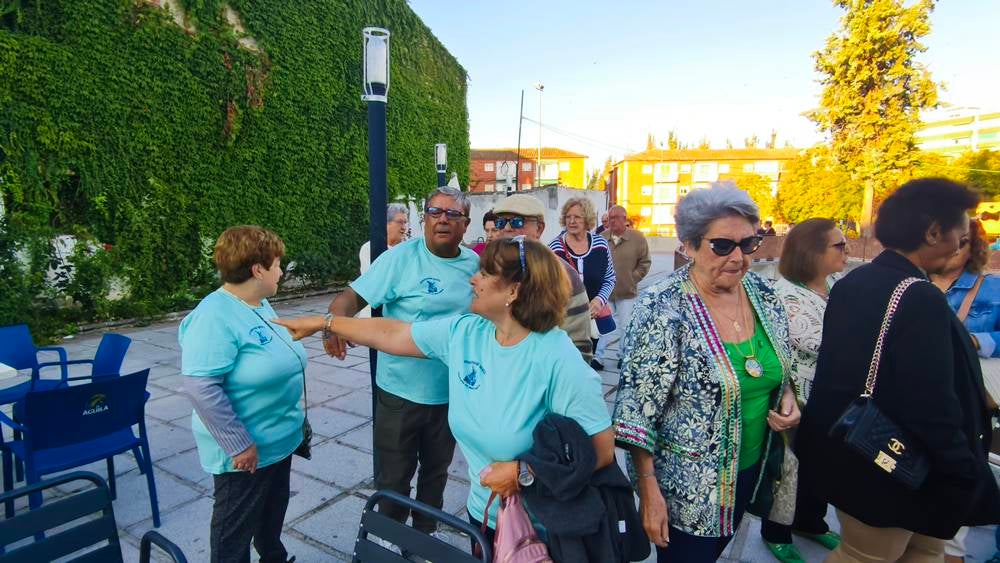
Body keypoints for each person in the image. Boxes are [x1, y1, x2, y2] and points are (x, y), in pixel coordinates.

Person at [275, 237, 615, 546]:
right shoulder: (467, 332)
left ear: (514, 291)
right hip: (483, 516)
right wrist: (325, 322)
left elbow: (600, 451)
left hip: (544, 528)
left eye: (484, 273)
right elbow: (392, 333)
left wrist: (522, 472)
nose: (472, 279)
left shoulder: (557, 358)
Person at [795, 178, 1000, 563]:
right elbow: (931, 401)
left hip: (865, 454)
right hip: (900, 468)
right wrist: (962, 466)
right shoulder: (919, 297)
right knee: (866, 556)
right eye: (961, 230)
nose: (962, 241)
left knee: (918, 552)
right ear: (933, 232)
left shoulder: (855, 282)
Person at [613, 183, 801, 562]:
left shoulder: (763, 294)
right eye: (722, 245)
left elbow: (781, 364)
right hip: (688, 490)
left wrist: (788, 397)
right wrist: (649, 493)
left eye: (749, 244)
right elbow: (635, 412)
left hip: (750, 470)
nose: (738, 257)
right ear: (690, 246)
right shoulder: (662, 308)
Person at [323, 186, 479, 539]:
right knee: (393, 477)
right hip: (399, 391)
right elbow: (350, 298)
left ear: (465, 224)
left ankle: (423, 539)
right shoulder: (400, 259)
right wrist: (334, 324)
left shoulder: (474, 265)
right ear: (424, 219)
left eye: (451, 214)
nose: (442, 219)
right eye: (434, 212)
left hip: (449, 392)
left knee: (436, 473)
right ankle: (389, 538)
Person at [179, 226, 305, 563]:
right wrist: (239, 442)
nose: (281, 270)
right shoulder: (213, 316)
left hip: (278, 440)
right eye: (278, 264)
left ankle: (274, 558)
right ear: (258, 269)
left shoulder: (258, 303)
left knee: (270, 517)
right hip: (246, 453)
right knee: (233, 534)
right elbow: (200, 386)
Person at [760, 218, 849, 563]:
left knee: (820, 465)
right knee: (789, 468)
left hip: (830, 397)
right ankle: (777, 531)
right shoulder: (787, 296)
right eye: (838, 246)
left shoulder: (835, 284)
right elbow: (829, 343)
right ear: (812, 252)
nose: (847, 250)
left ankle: (811, 521)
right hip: (796, 397)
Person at [930, 219, 1000, 563]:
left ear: (973, 246)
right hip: (925, 401)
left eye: (961, 242)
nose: (951, 248)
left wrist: (978, 340)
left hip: (970, 404)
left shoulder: (991, 288)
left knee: (959, 479)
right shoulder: (913, 284)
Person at [491, 194, 594, 364]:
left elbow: (579, 347)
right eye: (501, 222)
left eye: (517, 222)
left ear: (539, 228)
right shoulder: (491, 272)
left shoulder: (563, 276)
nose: (507, 228)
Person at [548, 197, 616, 369]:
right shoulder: (554, 249)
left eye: (577, 217)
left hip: (593, 317)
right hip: (565, 321)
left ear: (587, 219)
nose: (572, 221)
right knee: (566, 366)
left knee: (589, 365)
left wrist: (599, 301)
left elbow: (609, 278)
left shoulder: (600, 245)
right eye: (568, 216)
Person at [595, 205, 651, 371]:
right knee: (602, 326)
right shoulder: (601, 237)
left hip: (627, 292)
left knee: (626, 326)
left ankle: (623, 356)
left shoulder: (638, 238)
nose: (611, 221)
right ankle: (598, 357)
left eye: (615, 218)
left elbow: (645, 262)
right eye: (610, 218)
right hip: (605, 293)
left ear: (624, 219)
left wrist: (633, 278)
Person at [358, 203, 409, 317]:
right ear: (387, 223)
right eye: (400, 222)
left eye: (405, 222)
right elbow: (376, 282)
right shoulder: (369, 248)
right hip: (372, 314)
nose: (404, 227)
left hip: (401, 316)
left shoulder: (409, 248)